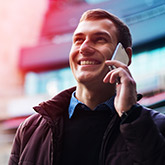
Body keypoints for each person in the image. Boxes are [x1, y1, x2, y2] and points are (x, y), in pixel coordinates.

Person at [9, 9, 165, 165]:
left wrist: (131, 116)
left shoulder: (157, 126)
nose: (83, 48)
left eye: (100, 39)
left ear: (125, 56)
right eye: (78, 40)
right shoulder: (29, 130)